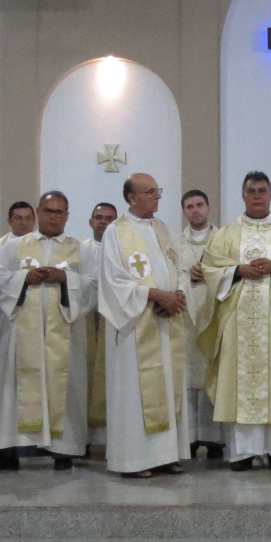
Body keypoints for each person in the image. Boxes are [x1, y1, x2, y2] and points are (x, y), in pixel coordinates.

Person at [196, 172, 271, 470]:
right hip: (237, 322)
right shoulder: (226, 234)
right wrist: (237, 270)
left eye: (262, 190)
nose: (256, 196)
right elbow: (210, 269)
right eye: (251, 191)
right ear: (243, 195)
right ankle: (243, 453)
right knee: (240, 383)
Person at [0, 191, 95, 471]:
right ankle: (9, 450)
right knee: (14, 387)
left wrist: (65, 277)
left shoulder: (82, 250)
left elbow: (94, 284)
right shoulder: (13, 246)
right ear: (38, 212)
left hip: (65, 332)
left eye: (60, 212)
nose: (54, 217)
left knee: (64, 385)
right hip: (20, 333)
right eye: (48, 211)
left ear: (67, 216)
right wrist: (25, 277)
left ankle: (64, 449)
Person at [98, 175, 191, 478]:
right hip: (135, 325)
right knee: (136, 394)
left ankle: (167, 455)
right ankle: (135, 460)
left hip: (166, 321)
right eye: (151, 192)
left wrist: (177, 295)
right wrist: (154, 296)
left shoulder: (163, 229)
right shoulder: (116, 232)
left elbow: (179, 268)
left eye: (157, 191)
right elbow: (113, 281)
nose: (158, 197)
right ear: (131, 197)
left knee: (167, 387)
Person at [178, 188, 223, 458]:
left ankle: (214, 437)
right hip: (184, 316)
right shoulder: (175, 243)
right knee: (187, 377)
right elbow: (170, 274)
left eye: (199, 205)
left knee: (212, 374)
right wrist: (187, 277)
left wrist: (209, 274)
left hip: (214, 313)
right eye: (189, 206)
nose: (195, 210)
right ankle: (190, 437)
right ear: (184, 211)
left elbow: (231, 271)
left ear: (208, 207)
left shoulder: (223, 240)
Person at [83, 201, 120, 451]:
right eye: (99, 217)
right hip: (86, 318)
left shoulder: (122, 250)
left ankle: (111, 437)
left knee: (109, 378)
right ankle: (85, 437)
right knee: (85, 375)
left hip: (112, 320)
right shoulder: (80, 249)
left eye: (109, 218)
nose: (103, 222)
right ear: (91, 222)